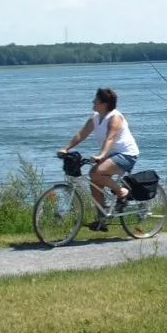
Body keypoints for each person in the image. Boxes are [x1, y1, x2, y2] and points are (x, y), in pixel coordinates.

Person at [61, 87, 139, 228]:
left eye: (96, 100)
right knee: (95, 182)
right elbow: (81, 135)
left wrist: (101, 155)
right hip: (110, 154)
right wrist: (66, 148)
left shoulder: (115, 117)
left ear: (104, 104)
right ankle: (102, 219)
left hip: (127, 155)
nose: (93, 102)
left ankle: (122, 192)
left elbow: (110, 138)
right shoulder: (95, 118)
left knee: (95, 172)